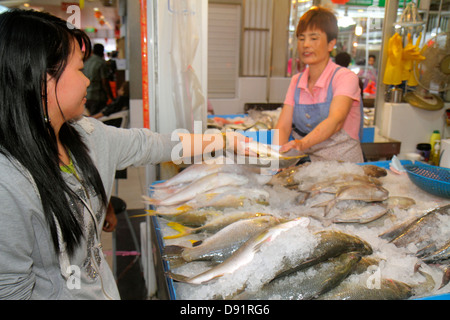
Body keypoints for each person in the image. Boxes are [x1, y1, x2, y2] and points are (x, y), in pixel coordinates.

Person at [0, 9, 247, 300]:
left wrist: (222, 139)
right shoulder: (9, 183)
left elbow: (153, 145)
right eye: (80, 69)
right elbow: (12, 290)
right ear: (44, 77)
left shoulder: (86, 135)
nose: (88, 81)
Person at [276, 7, 363, 163]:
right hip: (311, 169)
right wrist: (277, 158)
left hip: (344, 170)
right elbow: (283, 126)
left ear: (331, 44)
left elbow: (335, 121)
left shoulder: (345, 77)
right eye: (301, 39)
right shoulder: (296, 81)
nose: (306, 44)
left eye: (314, 38)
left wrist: (301, 144)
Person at [83, 43, 114, 115]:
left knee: (89, 119)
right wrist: (111, 97)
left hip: (87, 96)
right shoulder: (101, 63)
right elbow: (104, 82)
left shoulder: (86, 62)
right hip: (98, 97)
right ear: (102, 51)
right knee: (97, 121)